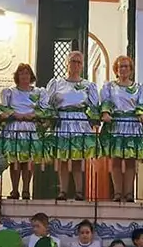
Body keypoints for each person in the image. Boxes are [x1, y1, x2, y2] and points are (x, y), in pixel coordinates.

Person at [41, 50, 100, 201]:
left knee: (77, 159)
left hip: (79, 122)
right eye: (73, 61)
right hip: (62, 121)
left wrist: (93, 118)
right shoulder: (57, 83)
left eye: (79, 62)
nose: (76, 65)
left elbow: (94, 106)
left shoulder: (87, 85)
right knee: (62, 159)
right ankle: (63, 191)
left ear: (82, 66)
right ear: (67, 64)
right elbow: (48, 104)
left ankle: (79, 191)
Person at [98, 55, 143, 202]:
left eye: (126, 66)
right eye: (121, 66)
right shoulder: (109, 87)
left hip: (133, 125)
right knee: (115, 159)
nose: (124, 69)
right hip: (115, 124)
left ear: (131, 69)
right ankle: (117, 193)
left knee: (130, 160)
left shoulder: (139, 88)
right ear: (116, 69)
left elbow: (142, 104)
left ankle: (128, 193)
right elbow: (106, 102)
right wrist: (106, 112)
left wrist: (142, 114)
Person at [0, 63, 45, 200]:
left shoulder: (38, 92)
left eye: (27, 73)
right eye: (21, 73)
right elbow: (3, 109)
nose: (24, 76)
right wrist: (15, 114)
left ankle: (27, 190)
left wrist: (32, 115)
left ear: (31, 76)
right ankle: (14, 190)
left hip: (29, 128)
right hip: (14, 128)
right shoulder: (9, 92)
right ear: (17, 76)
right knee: (14, 160)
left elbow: (44, 109)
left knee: (28, 161)